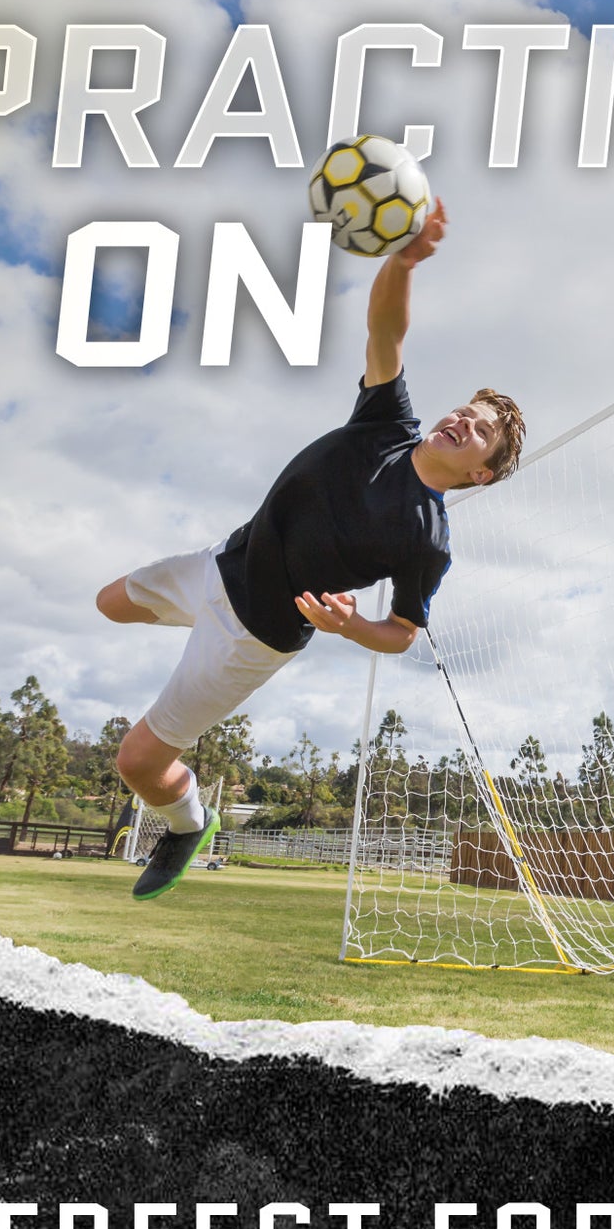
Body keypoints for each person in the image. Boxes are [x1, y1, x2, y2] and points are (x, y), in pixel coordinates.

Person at [95, 200, 525, 899]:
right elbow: (386, 329)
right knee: (108, 603)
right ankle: (188, 640)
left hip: (250, 635)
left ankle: (186, 820)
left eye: (477, 432)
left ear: (480, 473)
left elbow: (402, 634)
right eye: (463, 412)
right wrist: (404, 259)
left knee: (138, 762)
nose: (458, 421)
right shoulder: (387, 423)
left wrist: (350, 624)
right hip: (219, 563)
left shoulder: (428, 536)